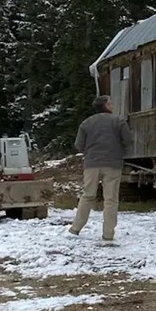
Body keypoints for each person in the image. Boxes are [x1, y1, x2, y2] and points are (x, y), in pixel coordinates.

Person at [68, 95, 133, 242]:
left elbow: (79, 145)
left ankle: (76, 228)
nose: (112, 104)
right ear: (106, 106)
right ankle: (108, 234)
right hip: (113, 164)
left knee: (87, 196)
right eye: (110, 103)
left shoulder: (86, 123)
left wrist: (89, 152)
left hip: (91, 164)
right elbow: (128, 141)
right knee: (110, 199)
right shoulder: (119, 121)